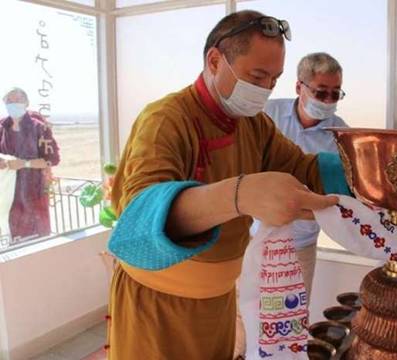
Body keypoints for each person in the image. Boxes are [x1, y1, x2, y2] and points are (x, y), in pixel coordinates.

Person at [106, 10, 350, 360]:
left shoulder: (254, 125)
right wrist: (239, 195)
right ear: (215, 60)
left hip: (218, 302)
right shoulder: (167, 119)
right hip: (157, 307)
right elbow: (139, 221)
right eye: (257, 76)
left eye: (274, 79)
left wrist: (368, 172)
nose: (265, 89)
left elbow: (303, 168)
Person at [261, 52, 348, 302]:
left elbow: (340, 193)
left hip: (301, 244)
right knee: (244, 322)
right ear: (300, 86)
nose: (329, 101)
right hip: (254, 239)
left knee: (291, 322)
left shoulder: (342, 135)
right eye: (321, 92)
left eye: (336, 93)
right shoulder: (266, 115)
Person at [0, 87, 60, 243]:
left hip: (34, 193)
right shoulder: (1, 127)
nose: (13, 104)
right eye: (9, 101)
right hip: (9, 193)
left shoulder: (39, 128)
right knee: (14, 239)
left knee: (38, 239)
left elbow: (52, 159)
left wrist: (24, 163)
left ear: (26, 103)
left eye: (17, 100)